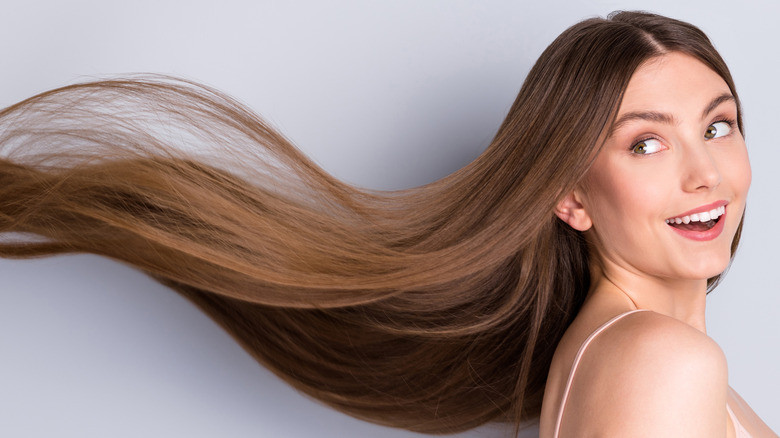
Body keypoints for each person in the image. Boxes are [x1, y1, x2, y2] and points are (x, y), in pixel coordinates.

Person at [0, 10, 776, 437]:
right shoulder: (659, 358)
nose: (704, 172)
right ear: (569, 197)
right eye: (646, 143)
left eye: (718, 126)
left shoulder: (626, 352)